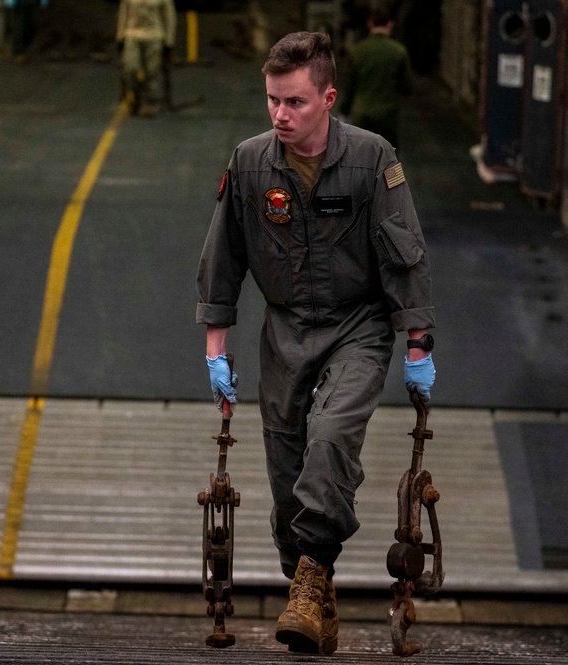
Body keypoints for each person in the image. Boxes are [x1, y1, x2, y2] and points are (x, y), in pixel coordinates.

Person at [195, 31, 435, 654]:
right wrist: (215, 352)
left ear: (328, 98)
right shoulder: (250, 163)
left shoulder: (372, 159)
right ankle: (310, 586)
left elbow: (406, 255)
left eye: (295, 102)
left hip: (358, 328)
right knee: (287, 479)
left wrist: (418, 345)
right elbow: (224, 258)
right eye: (273, 100)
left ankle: (308, 584)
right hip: (285, 332)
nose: (280, 114)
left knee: (331, 438)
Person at [338, 0, 413, 147]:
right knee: (389, 158)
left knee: (360, 156)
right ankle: (390, 171)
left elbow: (350, 86)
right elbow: (407, 86)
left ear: (370, 24)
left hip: (361, 113)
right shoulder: (399, 51)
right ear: (390, 24)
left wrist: (344, 110)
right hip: (387, 115)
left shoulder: (358, 50)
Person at [115, 0, 176, 117]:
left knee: (152, 72)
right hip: (132, 35)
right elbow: (123, 14)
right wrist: (120, 36)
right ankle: (136, 96)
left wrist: (169, 41)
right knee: (130, 68)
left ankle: (148, 102)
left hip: (154, 36)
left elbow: (169, 17)